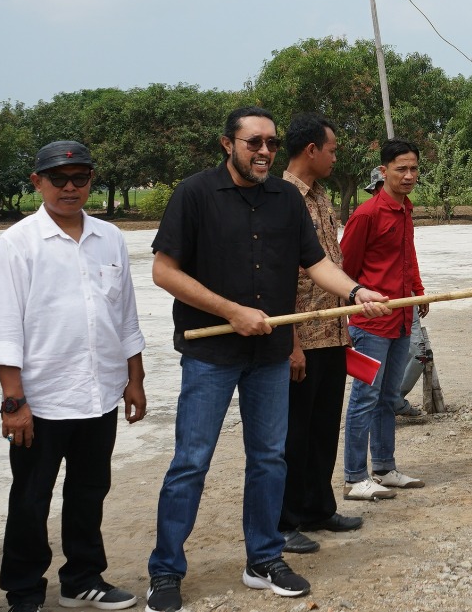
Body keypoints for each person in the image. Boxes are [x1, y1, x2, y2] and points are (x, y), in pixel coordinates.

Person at [145, 106, 389, 610]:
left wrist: (356, 292)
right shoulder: (194, 195)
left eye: (271, 144)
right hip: (211, 352)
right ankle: (166, 571)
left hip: (270, 354)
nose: (264, 152)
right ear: (227, 144)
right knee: (191, 462)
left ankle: (263, 557)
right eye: (253, 142)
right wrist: (232, 311)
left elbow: (317, 262)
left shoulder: (284, 199)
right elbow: (164, 272)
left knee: (269, 458)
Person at [0, 141, 147, 611]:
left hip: (100, 393)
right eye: (59, 179)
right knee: (32, 497)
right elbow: (3, 328)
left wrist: (133, 379)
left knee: (90, 490)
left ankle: (82, 577)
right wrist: (14, 402)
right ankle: (24, 590)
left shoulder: (109, 238)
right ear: (37, 182)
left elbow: (126, 316)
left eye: (80, 177)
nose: (71, 187)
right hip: (42, 398)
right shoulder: (17, 243)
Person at [277, 115, 363, 557]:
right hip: (301, 340)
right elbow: (280, 280)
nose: (334, 156)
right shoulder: (280, 198)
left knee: (324, 428)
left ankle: (317, 507)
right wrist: (290, 342)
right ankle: (285, 520)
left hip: (332, 331)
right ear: (311, 149)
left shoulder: (322, 196)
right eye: (331, 149)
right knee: (293, 434)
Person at [341, 139, 429, 502]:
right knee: (364, 396)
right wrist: (357, 303)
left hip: (401, 317)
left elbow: (406, 254)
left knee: (388, 397)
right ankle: (354, 476)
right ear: (383, 171)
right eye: (400, 169)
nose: (408, 176)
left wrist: (418, 290)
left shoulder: (405, 209)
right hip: (370, 324)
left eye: (413, 169)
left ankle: (384, 467)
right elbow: (345, 271)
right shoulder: (367, 214)